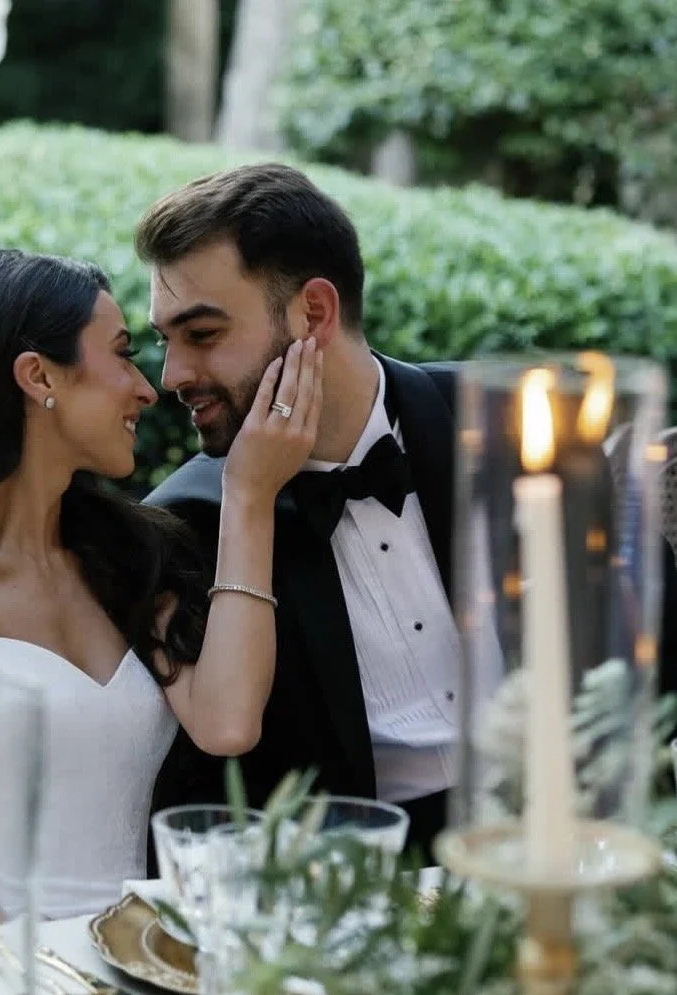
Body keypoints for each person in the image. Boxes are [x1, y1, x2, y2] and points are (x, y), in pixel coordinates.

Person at [138, 162, 677, 863]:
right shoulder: (184, 524)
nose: (171, 375)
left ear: (313, 313)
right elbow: (216, 779)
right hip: (359, 879)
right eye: (163, 340)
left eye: (201, 333)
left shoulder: (516, 424)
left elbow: (652, 653)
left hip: (573, 838)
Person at [0, 247, 322, 935]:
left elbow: (227, 719)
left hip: (131, 957)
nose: (147, 389)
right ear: (37, 376)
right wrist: (46, 974)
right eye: (121, 353)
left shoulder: (122, 560)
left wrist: (249, 495)